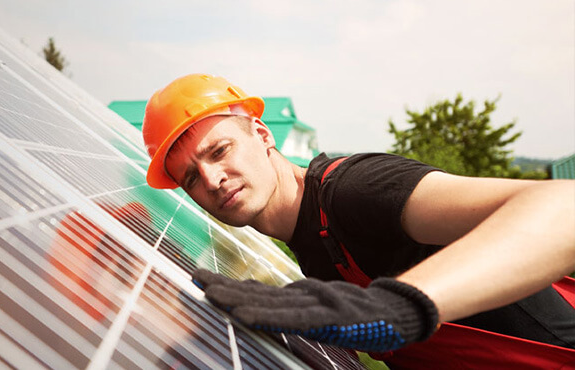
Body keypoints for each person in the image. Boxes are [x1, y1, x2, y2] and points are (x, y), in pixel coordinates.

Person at [142, 73, 575, 367]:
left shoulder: (355, 189)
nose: (214, 179)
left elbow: (563, 206)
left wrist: (399, 306)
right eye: (192, 177)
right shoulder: (309, 244)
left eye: (220, 151)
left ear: (261, 133)